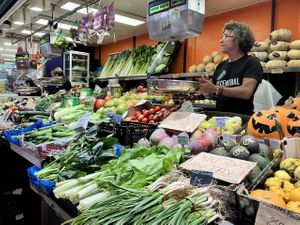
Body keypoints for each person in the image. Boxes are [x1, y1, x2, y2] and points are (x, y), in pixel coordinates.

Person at [199, 21, 263, 115]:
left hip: (241, 121)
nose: (221, 40)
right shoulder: (221, 66)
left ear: (239, 40)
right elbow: (213, 95)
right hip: (220, 121)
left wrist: (217, 89)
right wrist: (208, 91)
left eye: (226, 36)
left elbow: (246, 92)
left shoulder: (251, 62)